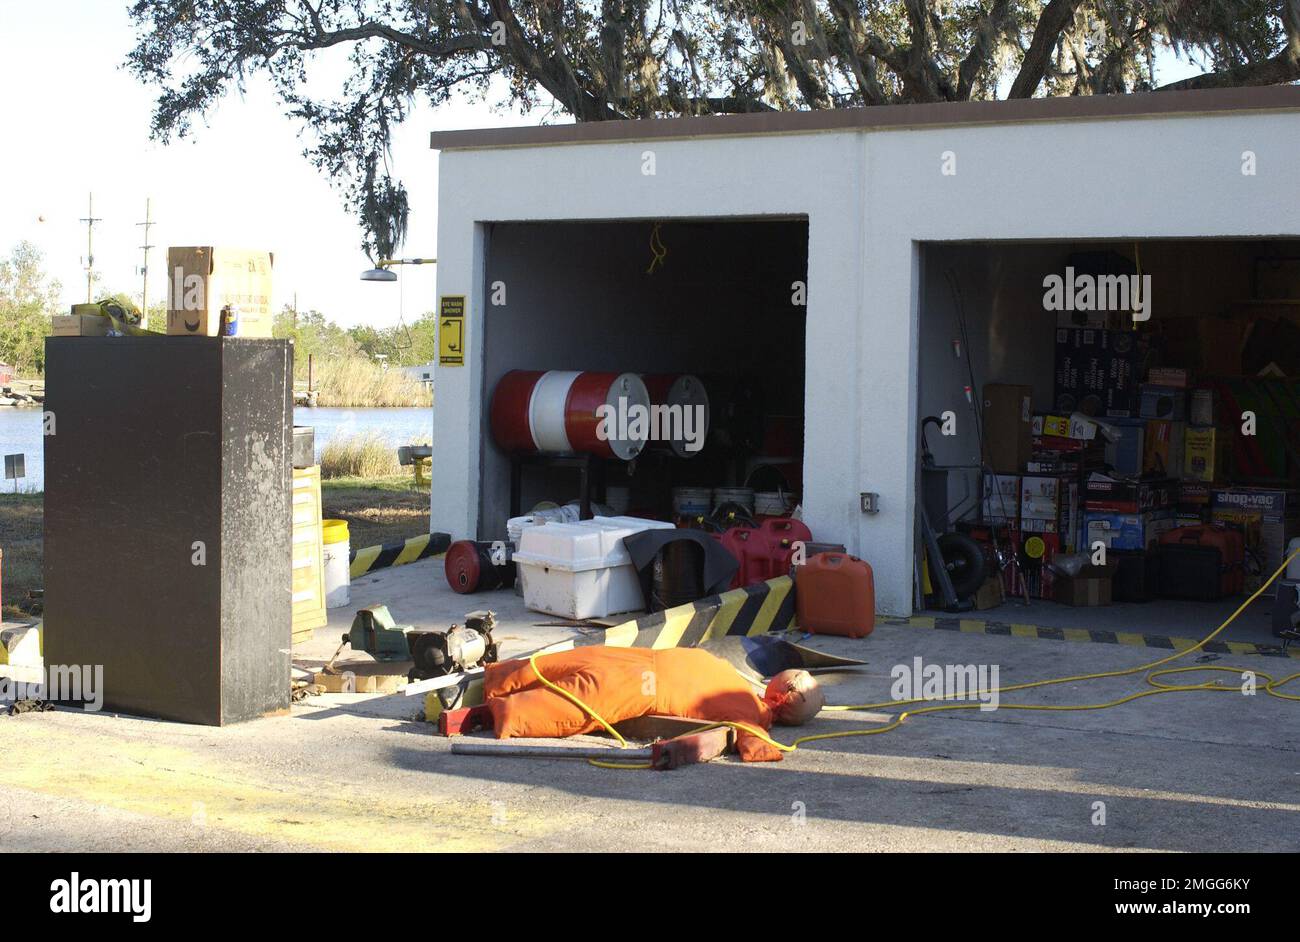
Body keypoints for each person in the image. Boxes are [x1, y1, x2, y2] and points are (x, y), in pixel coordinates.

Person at [483, 646, 824, 762]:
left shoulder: (740, 688)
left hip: (634, 664)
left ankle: (496, 680)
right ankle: (505, 712)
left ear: (778, 689)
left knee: (550, 665)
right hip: (635, 686)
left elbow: (754, 742)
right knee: (561, 706)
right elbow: (757, 749)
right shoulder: (750, 712)